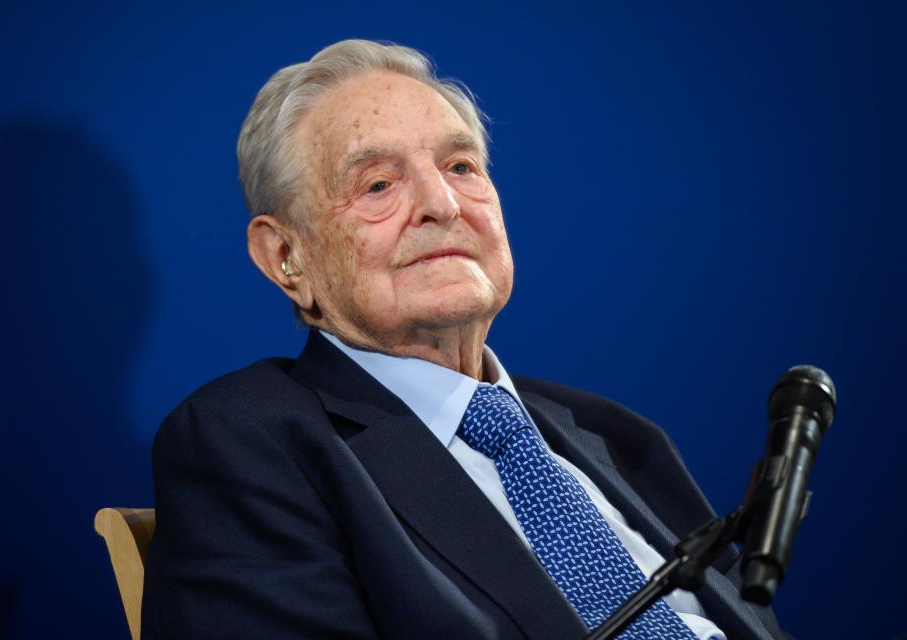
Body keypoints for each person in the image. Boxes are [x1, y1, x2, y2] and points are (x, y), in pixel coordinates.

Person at [141, 40, 790, 640]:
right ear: (287, 256)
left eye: (460, 166)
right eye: (378, 185)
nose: (443, 204)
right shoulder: (253, 443)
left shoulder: (617, 437)